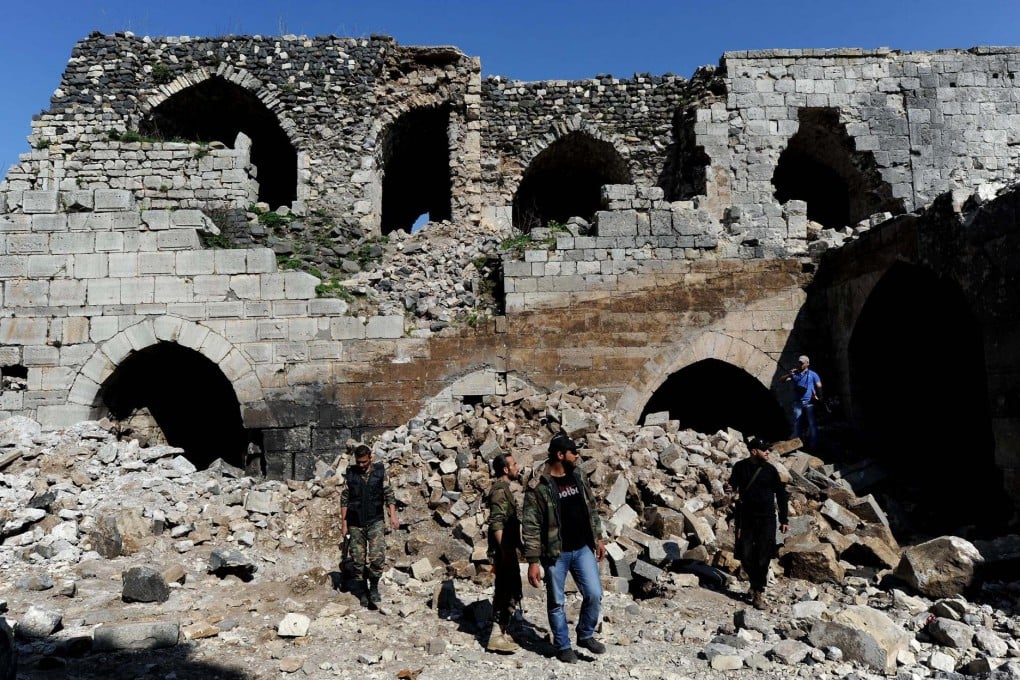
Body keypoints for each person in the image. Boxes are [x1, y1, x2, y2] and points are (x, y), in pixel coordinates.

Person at [522, 432, 608, 664]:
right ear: (560, 455)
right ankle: (563, 646)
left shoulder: (578, 475)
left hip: (582, 549)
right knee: (557, 602)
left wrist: (598, 538)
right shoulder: (539, 486)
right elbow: (530, 525)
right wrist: (532, 561)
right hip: (555, 553)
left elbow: (590, 507)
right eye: (574, 452)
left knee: (594, 593)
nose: (578, 456)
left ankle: (585, 634)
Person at [727, 436, 789, 610]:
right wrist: (729, 488)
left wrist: (784, 519)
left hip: (767, 518)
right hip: (746, 516)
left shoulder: (770, 471)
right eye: (765, 450)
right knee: (745, 553)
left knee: (763, 554)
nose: (768, 452)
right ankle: (755, 583)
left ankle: (758, 591)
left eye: (768, 449)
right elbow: (733, 484)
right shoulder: (740, 467)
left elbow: (781, 495)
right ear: (754, 451)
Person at [340, 443, 399, 607]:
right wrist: (344, 524)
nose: (361, 465)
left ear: (370, 458)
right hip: (355, 522)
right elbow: (344, 499)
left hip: (375, 520)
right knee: (358, 560)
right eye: (358, 462)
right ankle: (362, 592)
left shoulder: (380, 473)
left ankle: (373, 588)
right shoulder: (351, 474)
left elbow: (389, 495)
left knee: (377, 557)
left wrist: (392, 516)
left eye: (364, 462)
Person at [485, 453, 523, 653]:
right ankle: (495, 635)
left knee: (510, 587)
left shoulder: (504, 489)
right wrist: (505, 551)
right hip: (503, 550)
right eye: (514, 464)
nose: (517, 467)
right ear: (506, 469)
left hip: (506, 548)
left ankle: (502, 631)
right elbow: (496, 523)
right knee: (506, 589)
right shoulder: (500, 491)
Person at [781, 355, 823, 450]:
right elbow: (782, 380)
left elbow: (819, 385)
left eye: (802, 363)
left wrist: (819, 397)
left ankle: (814, 445)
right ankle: (796, 445)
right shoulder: (795, 374)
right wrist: (789, 374)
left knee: (812, 423)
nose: (800, 364)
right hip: (798, 402)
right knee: (797, 423)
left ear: (807, 364)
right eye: (799, 362)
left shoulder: (812, 374)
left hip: (809, 402)